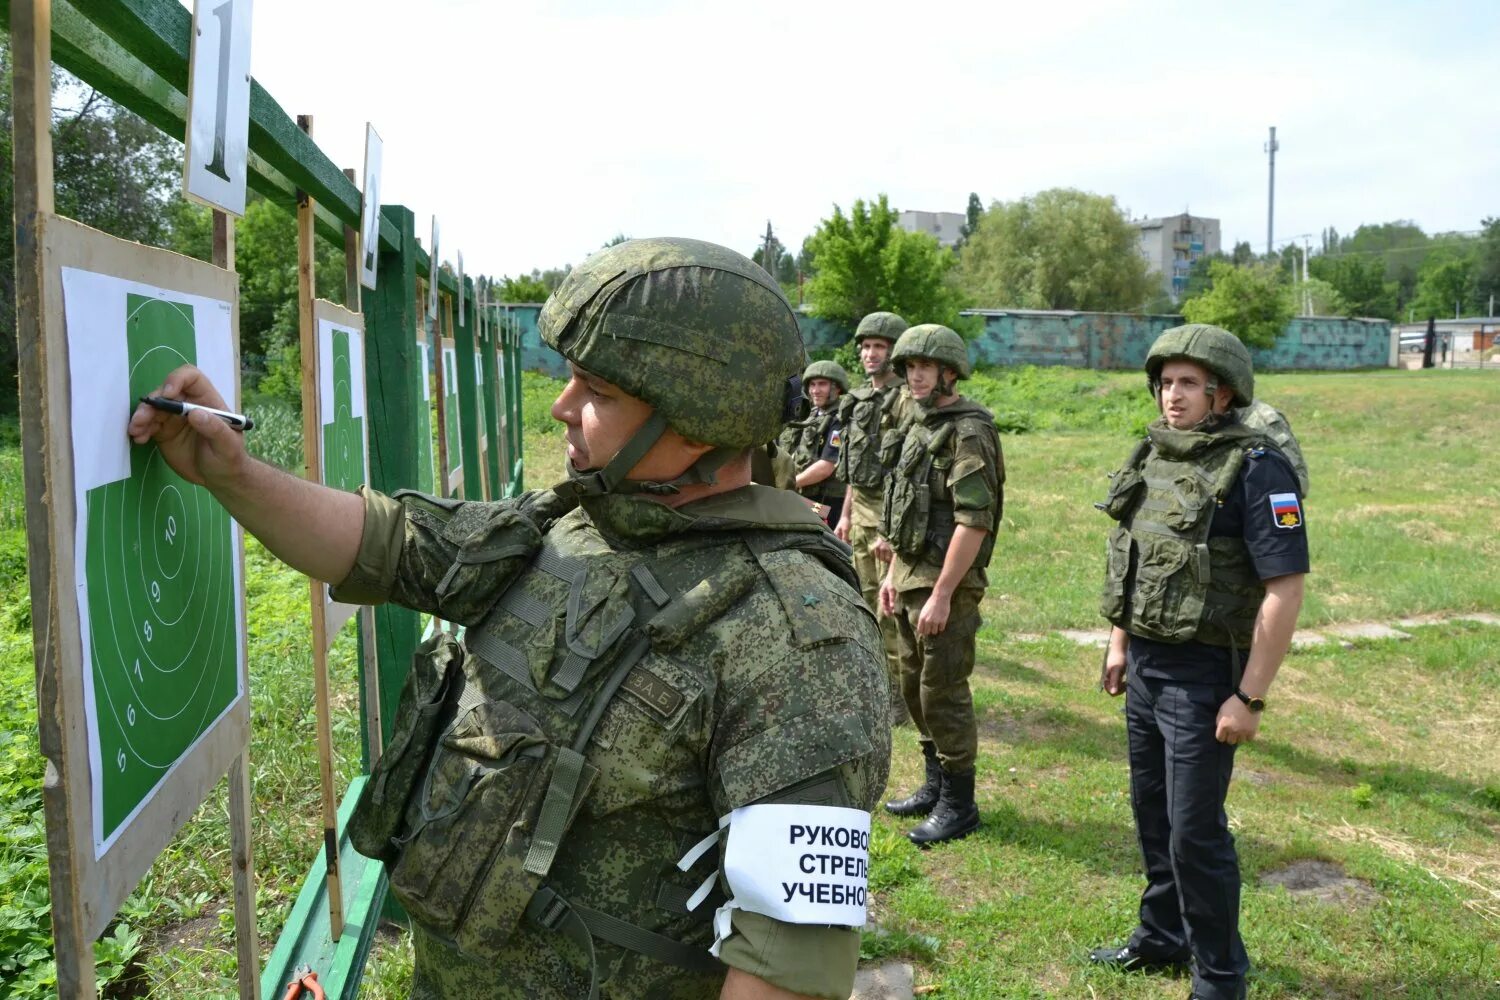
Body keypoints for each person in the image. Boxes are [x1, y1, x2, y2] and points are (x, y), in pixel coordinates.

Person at [128, 238, 891, 1000]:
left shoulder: (798, 636)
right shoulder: (574, 527)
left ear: (696, 418)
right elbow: (388, 546)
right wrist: (233, 474)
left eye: (597, 390)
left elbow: (789, 964)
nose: (562, 406)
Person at [1089, 324, 1308, 1000]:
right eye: (1165, 382)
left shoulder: (1257, 467)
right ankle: (1162, 936)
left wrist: (1250, 697)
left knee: (1195, 833)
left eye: (1188, 383)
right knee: (1152, 815)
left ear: (1223, 392)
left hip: (1205, 673)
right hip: (1149, 665)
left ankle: (1218, 975)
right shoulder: (1155, 453)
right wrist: (1120, 642)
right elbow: (1135, 553)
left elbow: (1285, 587)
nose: (1171, 395)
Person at [876, 325, 1002, 847]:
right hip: (909, 575)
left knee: (942, 689)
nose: (915, 375)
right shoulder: (919, 422)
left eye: (925, 366)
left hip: (945, 581)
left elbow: (974, 521)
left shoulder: (968, 431)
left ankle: (960, 802)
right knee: (912, 684)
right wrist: (890, 574)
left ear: (950, 372)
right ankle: (935, 784)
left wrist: (945, 593)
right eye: (908, 367)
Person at [832, 311, 910, 724]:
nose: (870, 353)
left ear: (893, 352)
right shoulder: (862, 398)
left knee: (889, 610)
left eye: (879, 346)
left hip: (887, 517)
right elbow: (853, 466)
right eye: (865, 346)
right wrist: (845, 515)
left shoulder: (905, 402)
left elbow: (904, 473)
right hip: (859, 513)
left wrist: (890, 532)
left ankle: (899, 696)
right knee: (863, 603)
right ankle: (875, 686)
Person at [783, 360, 850, 526]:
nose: (815, 390)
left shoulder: (840, 419)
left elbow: (826, 466)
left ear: (837, 388)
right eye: (812, 385)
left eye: (822, 384)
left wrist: (790, 483)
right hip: (806, 494)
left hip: (828, 502)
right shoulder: (813, 414)